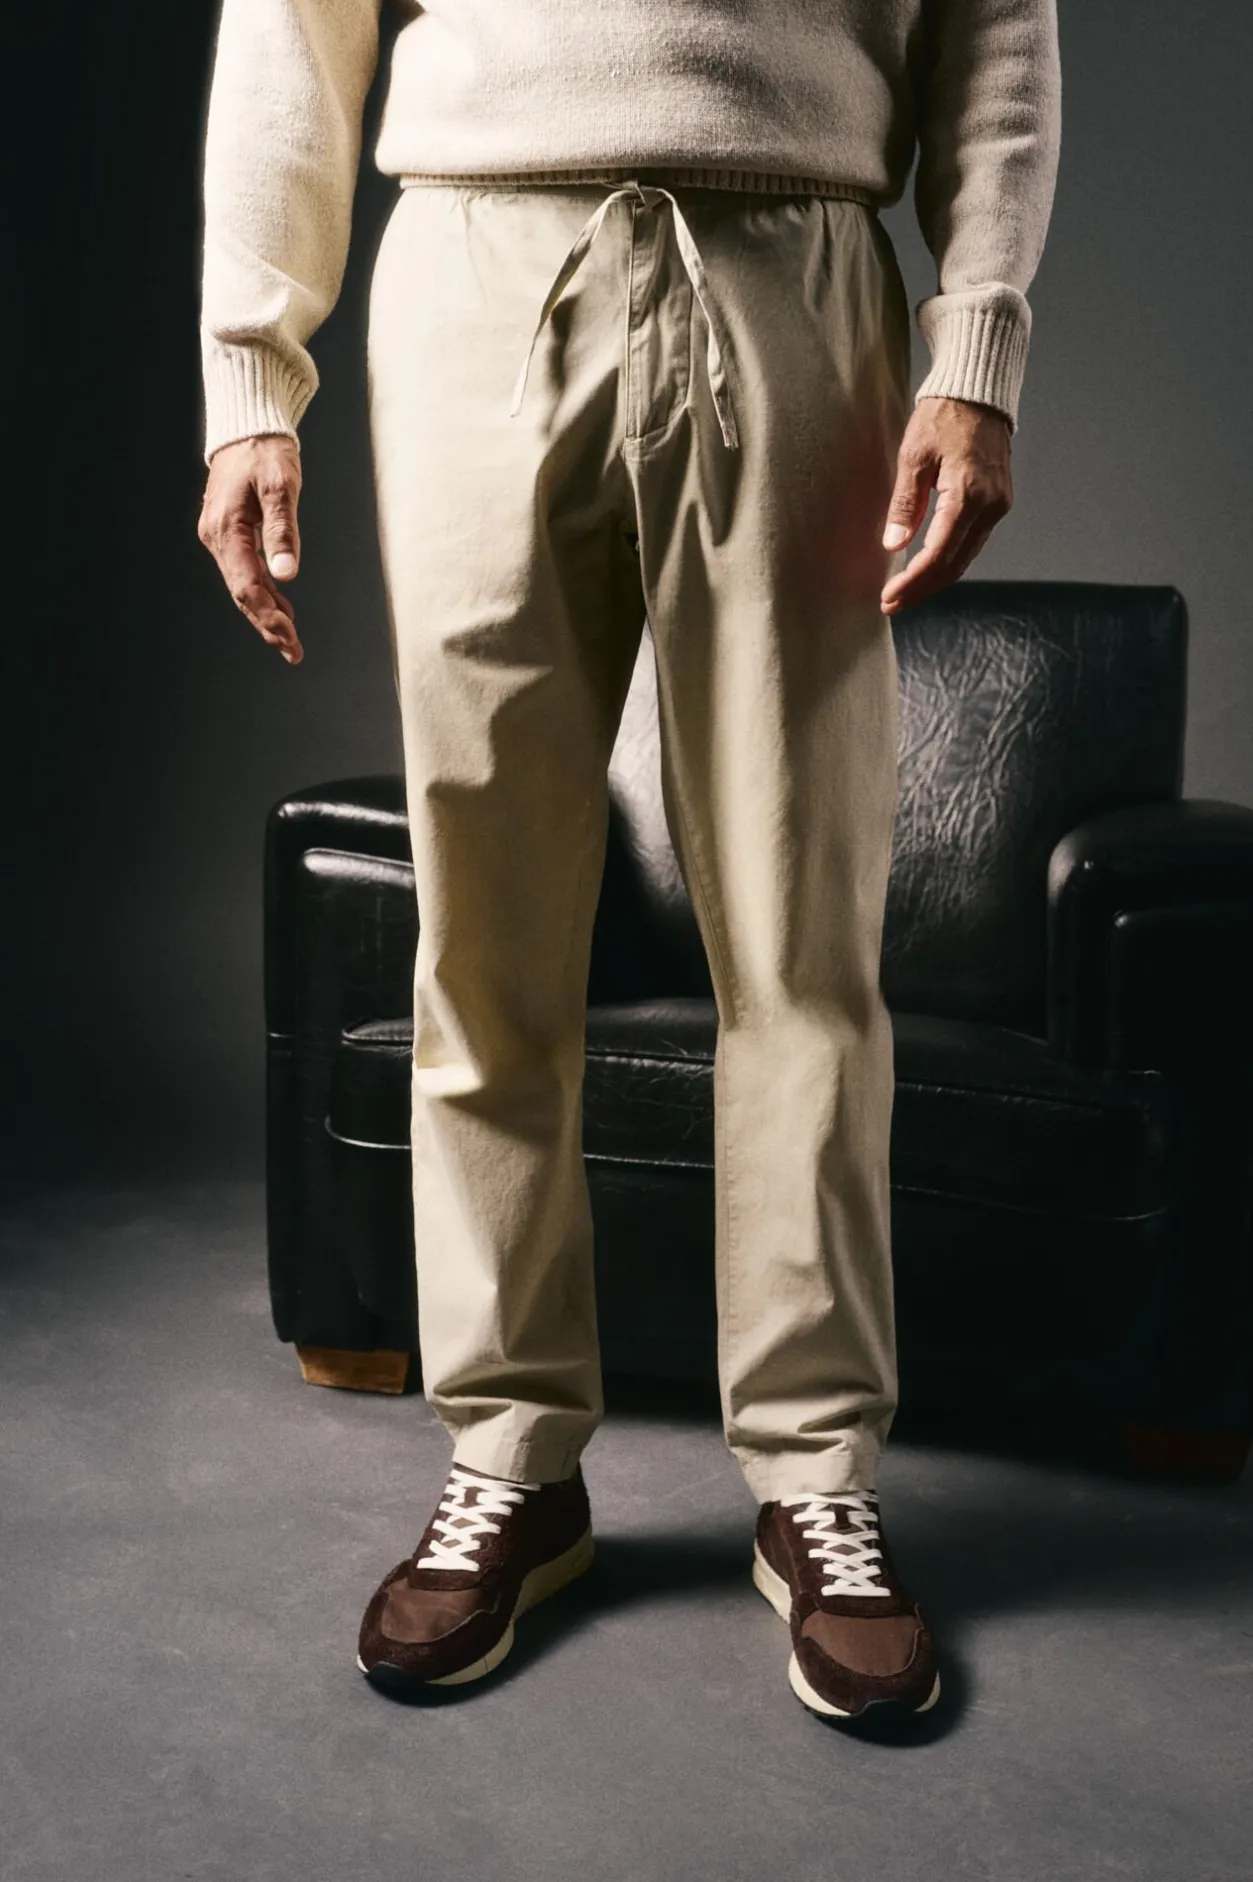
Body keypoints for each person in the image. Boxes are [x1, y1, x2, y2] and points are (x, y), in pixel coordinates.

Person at [196, 0, 1061, 1724]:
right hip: (477, 264)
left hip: (798, 254)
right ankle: (514, 1451)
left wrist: (976, 345)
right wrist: (250, 371)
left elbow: (999, 23)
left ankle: (816, 1469)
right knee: (485, 930)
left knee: (806, 934)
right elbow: (294, 20)